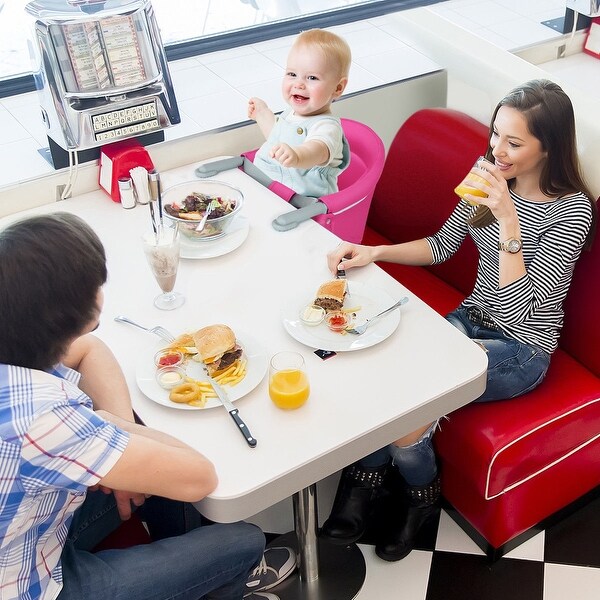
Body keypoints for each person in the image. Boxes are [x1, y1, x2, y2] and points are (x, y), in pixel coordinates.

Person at [321, 79, 597, 562]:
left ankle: (416, 496)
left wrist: (508, 217)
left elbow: (521, 307)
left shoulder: (571, 211)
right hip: (469, 320)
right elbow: (443, 244)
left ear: (548, 146)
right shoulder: (488, 175)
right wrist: (374, 251)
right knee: (383, 363)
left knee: (411, 401)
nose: (497, 150)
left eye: (513, 142)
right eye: (496, 135)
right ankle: (371, 479)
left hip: (521, 349)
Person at [0, 213, 295, 600]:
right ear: (66, 313)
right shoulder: (43, 420)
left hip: (27, 536)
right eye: (96, 284)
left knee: (161, 489)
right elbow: (200, 476)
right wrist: (110, 427)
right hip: (32, 586)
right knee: (242, 540)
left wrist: (119, 458)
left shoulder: (16, 342)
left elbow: (90, 348)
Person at [248, 28, 351, 198]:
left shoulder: (327, 127)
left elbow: (316, 150)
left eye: (312, 78)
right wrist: (262, 114)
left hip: (303, 204)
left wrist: (297, 155)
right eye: (292, 74)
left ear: (337, 88)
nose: (299, 84)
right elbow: (276, 136)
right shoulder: (291, 113)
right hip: (268, 186)